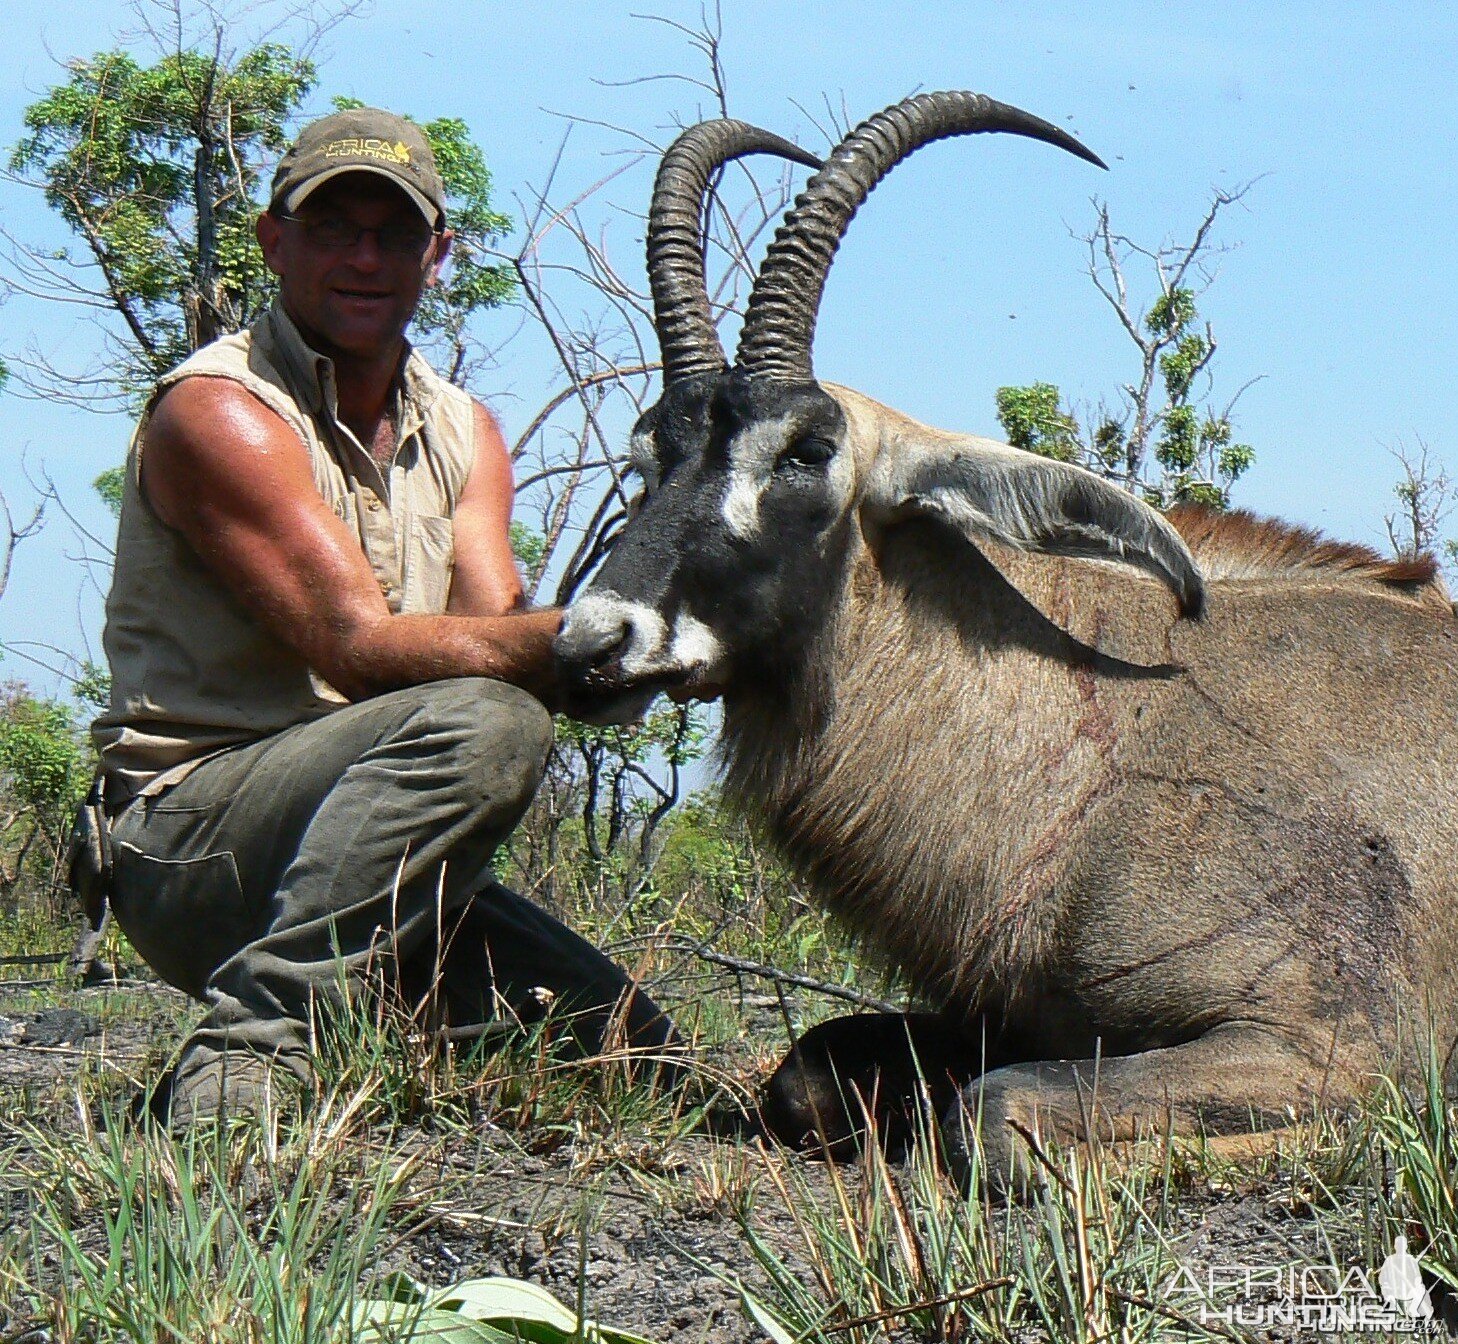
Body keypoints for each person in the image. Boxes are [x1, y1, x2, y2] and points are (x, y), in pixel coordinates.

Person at [90, 107, 675, 1122]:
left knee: (645, 1061)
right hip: (192, 845)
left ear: (436, 255)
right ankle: (254, 1050)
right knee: (493, 721)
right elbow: (358, 650)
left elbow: (494, 626)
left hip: (375, 861)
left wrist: (655, 641)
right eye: (332, 228)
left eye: (394, 234)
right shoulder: (215, 410)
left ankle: (377, 1019)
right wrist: (602, 634)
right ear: (275, 241)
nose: (365, 259)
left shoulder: (464, 428)